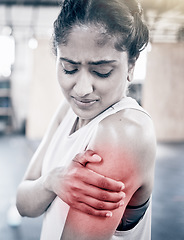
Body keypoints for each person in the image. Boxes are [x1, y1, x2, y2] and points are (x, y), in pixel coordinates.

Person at [16, 0, 156, 239]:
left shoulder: (123, 131)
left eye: (102, 71)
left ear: (131, 65)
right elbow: (23, 202)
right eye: (69, 68)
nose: (81, 90)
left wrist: (45, 185)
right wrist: (51, 181)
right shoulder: (68, 111)